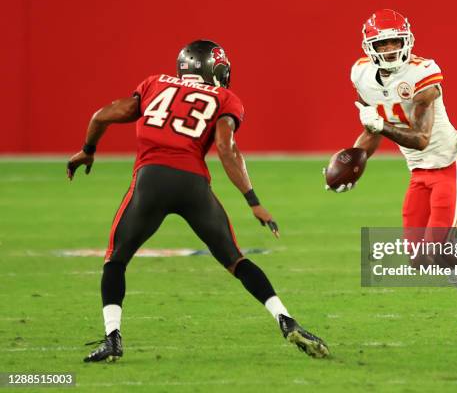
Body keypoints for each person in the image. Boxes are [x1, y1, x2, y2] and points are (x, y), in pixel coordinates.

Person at [68, 40, 329, 361]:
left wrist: (88, 150)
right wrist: (252, 200)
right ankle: (286, 320)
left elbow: (102, 115)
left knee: (116, 260)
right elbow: (225, 147)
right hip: (193, 184)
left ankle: (112, 338)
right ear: (214, 70)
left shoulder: (153, 84)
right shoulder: (225, 97)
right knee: (236, 259)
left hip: (150, 181)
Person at [333, 9, 457, 336]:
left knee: (438, 250)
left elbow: (421, 139)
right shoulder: (362, 76)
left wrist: (380, 126)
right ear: (370, 47)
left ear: (406, 41)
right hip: (419, 172)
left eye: (395, 41)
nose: (389, 49)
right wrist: (354, 163)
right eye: (382, 44)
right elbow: (371, 131)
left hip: (452, 163)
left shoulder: (423, 75)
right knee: (420, 259)